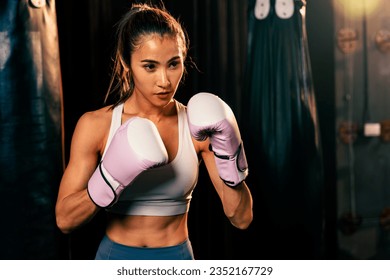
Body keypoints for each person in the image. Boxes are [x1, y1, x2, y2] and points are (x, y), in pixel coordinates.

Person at [55, 3, 253, 260]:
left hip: (177, 260)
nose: (165, 81)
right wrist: (107, 179)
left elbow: (242, 218)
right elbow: (65, 220)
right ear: (127, 63)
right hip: (114, 259)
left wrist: (231, 155)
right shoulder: (97, 125)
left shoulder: (197, 126)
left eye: (173, 64)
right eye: (150, 66)